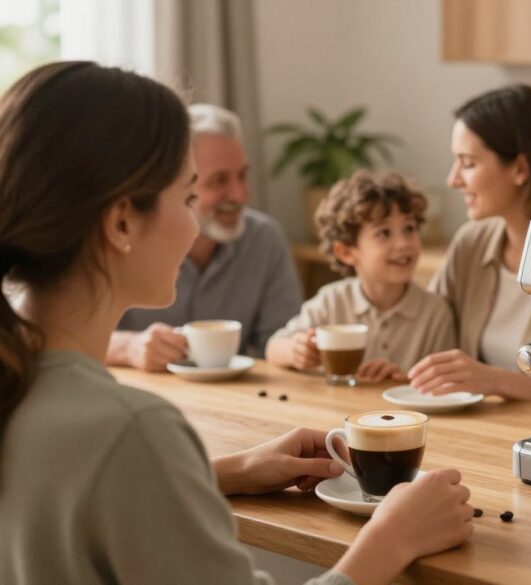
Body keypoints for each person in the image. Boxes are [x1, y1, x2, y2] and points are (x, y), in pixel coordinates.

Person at [0, 61, 473, 585]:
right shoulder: (131, 429)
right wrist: (393, 537)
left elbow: (89, 488)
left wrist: (232, 471)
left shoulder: (25, 387)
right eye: (187, 197)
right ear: (122, 222)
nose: (195, 220)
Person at [408, 84, 531, 403]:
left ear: (520, 168)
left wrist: (494, 381)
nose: (453, 179)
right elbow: (426, 330)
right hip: (481, 433)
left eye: (468, 163)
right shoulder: (472, 243)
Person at [106, 103, 303, 371]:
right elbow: (59, 341)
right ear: (175, 185)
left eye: (242, 176)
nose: (239, 194)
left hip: (232, 404)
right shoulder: (122, 239)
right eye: (219, 180)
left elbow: (282, 343)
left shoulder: (265, 241)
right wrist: (129, 348)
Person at [266, 170, 456, 380]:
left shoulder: (435, 313)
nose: (403, 243)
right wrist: (295, 351)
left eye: (409, 228)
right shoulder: (332, 302)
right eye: (384, 233)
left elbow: (445, 382)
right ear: (346, 252)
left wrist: (404, 381)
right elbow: (273, 348)